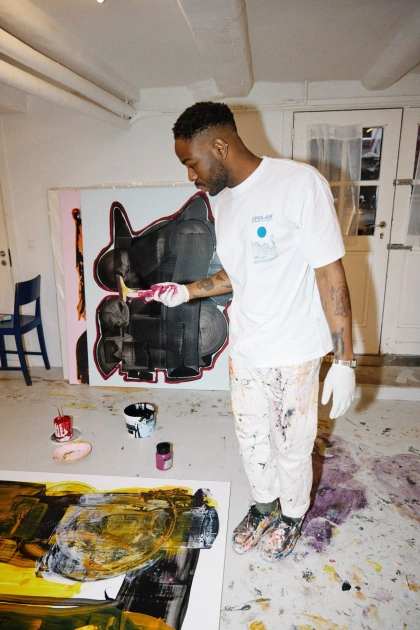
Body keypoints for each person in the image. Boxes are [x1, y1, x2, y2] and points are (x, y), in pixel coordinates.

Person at [149, 101, 356, 562]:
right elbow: (238, 274)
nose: (191, 176)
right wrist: (186, 291)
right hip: (246, 348)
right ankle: (264, 506)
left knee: (292, 446)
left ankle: (292, 514)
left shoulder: (299, 185)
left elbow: (330, 273)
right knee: (252, 441)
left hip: (294, 352)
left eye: (191, 163)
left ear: (220, 147)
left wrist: (344, 359)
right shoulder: (224, 201)